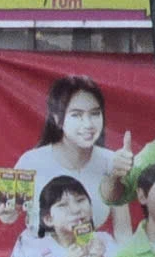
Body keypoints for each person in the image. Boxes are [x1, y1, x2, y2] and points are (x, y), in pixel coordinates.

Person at [14, 74, 135, 208]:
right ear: (57, 120)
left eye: (95, 113)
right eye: (76, 115)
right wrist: (7, 212)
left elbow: (122, 227)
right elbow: (11, 213)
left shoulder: (113, 162)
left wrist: (116, 177)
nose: (88, 124)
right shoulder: (31, 162)